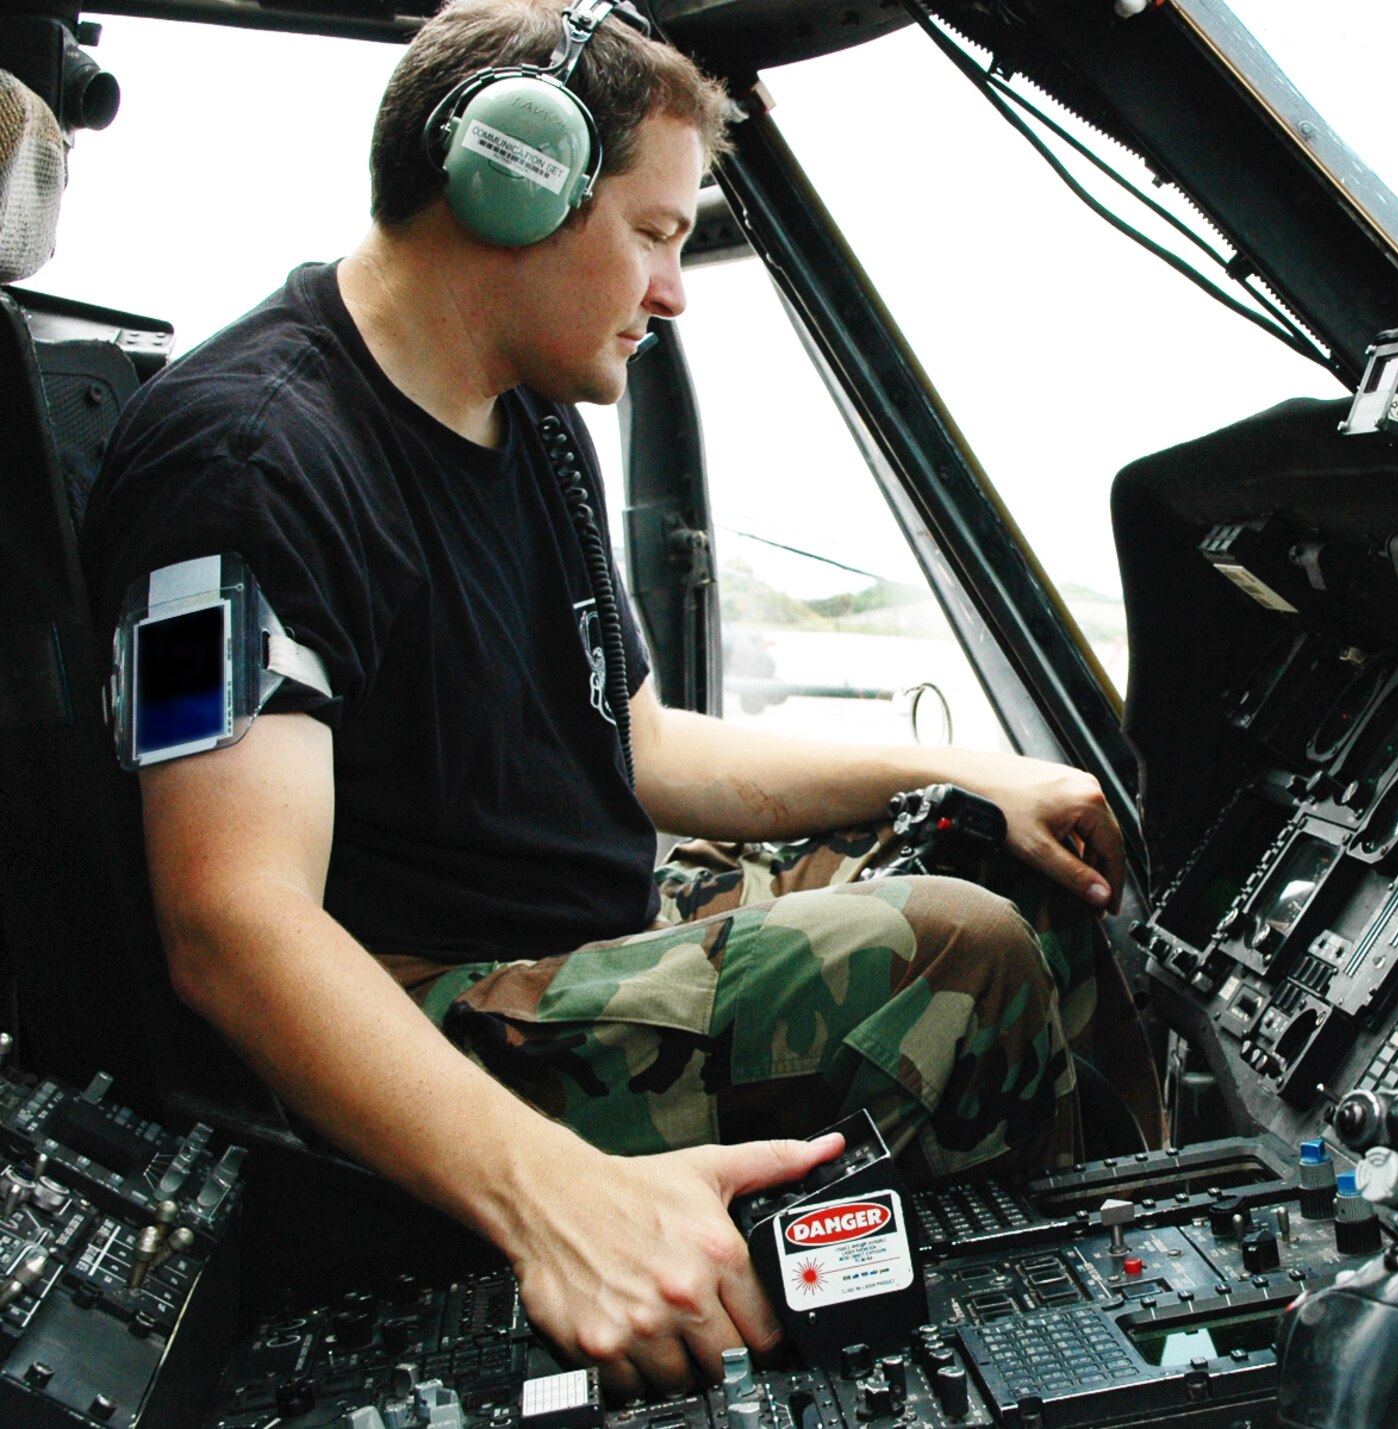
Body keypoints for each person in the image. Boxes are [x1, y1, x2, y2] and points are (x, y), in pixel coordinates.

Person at [80, 0, 1157, 1401]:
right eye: (653, 235)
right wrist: (556, 1199)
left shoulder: (526, 416)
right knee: (950, 947)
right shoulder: (247, 463)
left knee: (1003, 867)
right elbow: (231, 923)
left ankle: (1136, 1275)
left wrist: (969, 782)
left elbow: (637, 742)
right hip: (418, 1018)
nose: (674, 288)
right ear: (507, 189)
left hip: (580, 936)